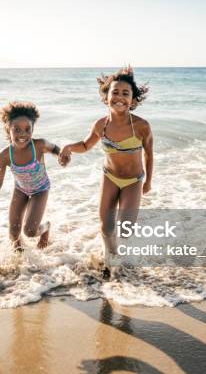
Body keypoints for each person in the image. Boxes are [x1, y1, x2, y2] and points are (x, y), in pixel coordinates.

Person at [59, 66, 153, 277]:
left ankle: (120, 256)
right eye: (115, 92)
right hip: (109, 177)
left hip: (133, 181)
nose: (120, 97)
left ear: (133, 101)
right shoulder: (101, 125)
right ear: (106, 97)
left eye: (125, 93)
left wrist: (148, 181)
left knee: (125, 228)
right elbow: (85, 145)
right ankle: (110, 262)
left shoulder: (141, 126)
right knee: (106, 228)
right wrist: (68, 147)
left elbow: (149, 153)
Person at [0, 101, 63, 251]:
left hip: (40, 190)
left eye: (28, 129)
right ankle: (19, 260)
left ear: (33, 128)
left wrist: (61, 156)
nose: (23, 134)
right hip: (20, 190)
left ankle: (45, 228)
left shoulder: (39, 145)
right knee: (13, 233)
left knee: (30, 231)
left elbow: (55, 149)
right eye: (17, 129)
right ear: (8, 129)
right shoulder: (4, 156)